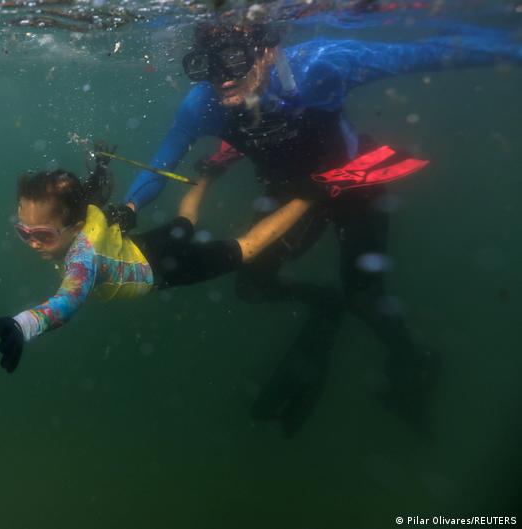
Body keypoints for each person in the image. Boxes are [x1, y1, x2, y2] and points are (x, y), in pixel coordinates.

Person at [112, 19, 522, 435]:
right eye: (206, 66)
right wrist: (128, 207)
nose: (222, 79)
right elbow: (162, 161)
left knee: (364, 294)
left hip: (353, 187)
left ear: (269, 52)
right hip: (290, 197)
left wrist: (512, 46)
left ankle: (415, 360)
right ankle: (324, 303)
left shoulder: (321, 67)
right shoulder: (202, 105)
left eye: (234, 60)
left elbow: (426, 54)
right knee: (252, 285)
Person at [0, 163, 312, 374]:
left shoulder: (83, 257)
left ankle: (312, 195)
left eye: (42, 235)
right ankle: (209, 172)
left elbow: (68, 301)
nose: (32, 242)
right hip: (140, 247)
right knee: (186, 223)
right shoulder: (81, 210)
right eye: (23, 232)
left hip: (163, 269)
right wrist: (101, 167)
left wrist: (22, 326)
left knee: (247, 249)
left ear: (76, 227)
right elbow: (91, 193)